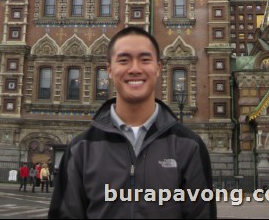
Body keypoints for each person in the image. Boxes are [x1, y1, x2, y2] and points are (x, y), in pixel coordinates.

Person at [49, 27, 216, 219]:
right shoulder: (81, 150)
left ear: (158, 68)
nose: (135, 69)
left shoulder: (188, 147)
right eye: (123, 60)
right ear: (109, 70)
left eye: (145, 60)